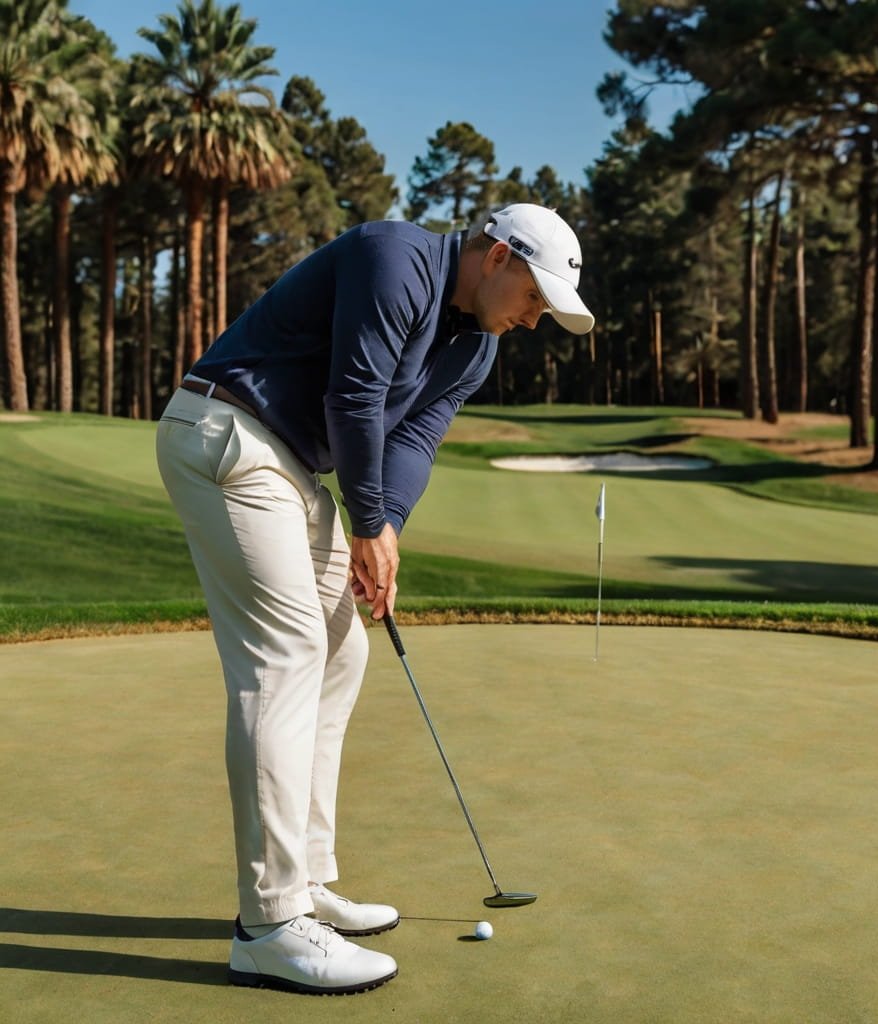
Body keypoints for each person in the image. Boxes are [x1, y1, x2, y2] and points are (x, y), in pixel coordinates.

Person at [155, 203, 594, 995]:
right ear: (497, 256)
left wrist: (385, 521)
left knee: (343, 651)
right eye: (535, 297)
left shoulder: (474, 349)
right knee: (285, 658)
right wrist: (364, 521)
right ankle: (269, 923)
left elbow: (415, 439)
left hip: (289, 464)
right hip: (227, 430)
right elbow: (354, 395)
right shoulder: (396, 256)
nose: (535, 319)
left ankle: (309, 880)